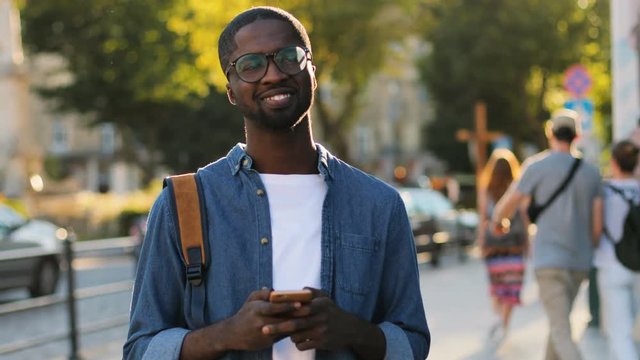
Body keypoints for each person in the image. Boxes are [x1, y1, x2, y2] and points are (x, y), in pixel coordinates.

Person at [123, 6, 430, 360]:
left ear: (312, 72)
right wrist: (227, 334)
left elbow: (414, 343)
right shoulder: (185, 204)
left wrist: (351, 331)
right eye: (250, 65)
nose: (272, 75)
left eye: (288, 57)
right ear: (231, 91)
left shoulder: (380, 205)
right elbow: (140, 349)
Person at [492, 108, 603, 360]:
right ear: (576, 136)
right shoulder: (591, 172)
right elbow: (596, 226)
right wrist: (590, 246)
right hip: (579, 262)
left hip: (549, 261)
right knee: (559, 325)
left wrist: (499, 222)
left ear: (550, 133)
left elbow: (507, 204)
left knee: (560, 331)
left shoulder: (536, 167)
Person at [594, 140, 640, 360]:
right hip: (638, 267)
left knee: (619, 333)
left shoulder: (605, 192)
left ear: (613, 163)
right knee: (630, 330)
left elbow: (595, 228)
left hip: (612, 264)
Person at [476, 148, 528, 343]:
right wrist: (528, 244)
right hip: (514, 247)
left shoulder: (486, 189)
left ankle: (499, 317)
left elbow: (483, 219)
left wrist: (482, 244)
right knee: (512, 288)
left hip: (494, 248)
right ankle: (504, 323)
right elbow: (524, 217)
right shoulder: (518, 189)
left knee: (498, 287)